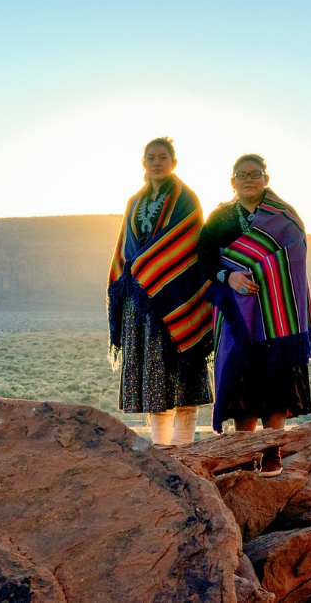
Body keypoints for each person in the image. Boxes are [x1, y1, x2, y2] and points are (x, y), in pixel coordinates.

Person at [198, 153, 311, 476]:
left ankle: (272, 451)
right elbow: (206, 261)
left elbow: (296, 258)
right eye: (242, 175)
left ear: (266, 178)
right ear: (232, 181)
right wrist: (230, 277)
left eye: (255, 174)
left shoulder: (285, 217)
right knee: (241, 378)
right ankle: (243, 452)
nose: (248, 179)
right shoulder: (220, 217)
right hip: (236, 311)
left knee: (275, 378)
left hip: (278, 313)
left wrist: (268, 277)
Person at [107, 137, 214, 448]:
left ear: (173, 162)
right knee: (152, 372)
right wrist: (134, 274)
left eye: (163, 157)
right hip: (140, 303)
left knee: (183, 371)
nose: (157, 162)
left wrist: (145, 267)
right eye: (151, 157)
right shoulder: (134, 202)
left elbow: (186, 240)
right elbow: (125, 249)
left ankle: (183, 447)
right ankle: (160, 449)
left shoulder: (187, 199)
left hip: (177, 296)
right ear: (144, 163)